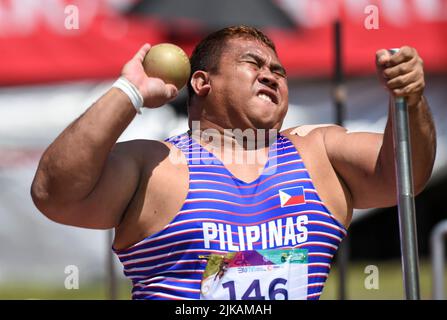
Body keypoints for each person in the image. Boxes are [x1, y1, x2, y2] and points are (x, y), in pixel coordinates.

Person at [31, 26, 436, 300]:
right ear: (202, 82)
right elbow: (54, 193)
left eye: (278, 70)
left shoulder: (318, 153)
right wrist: (128, 92)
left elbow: (405, 176)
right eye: (253, 65)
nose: (271, 76)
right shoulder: (156, 165)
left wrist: (413, 98)